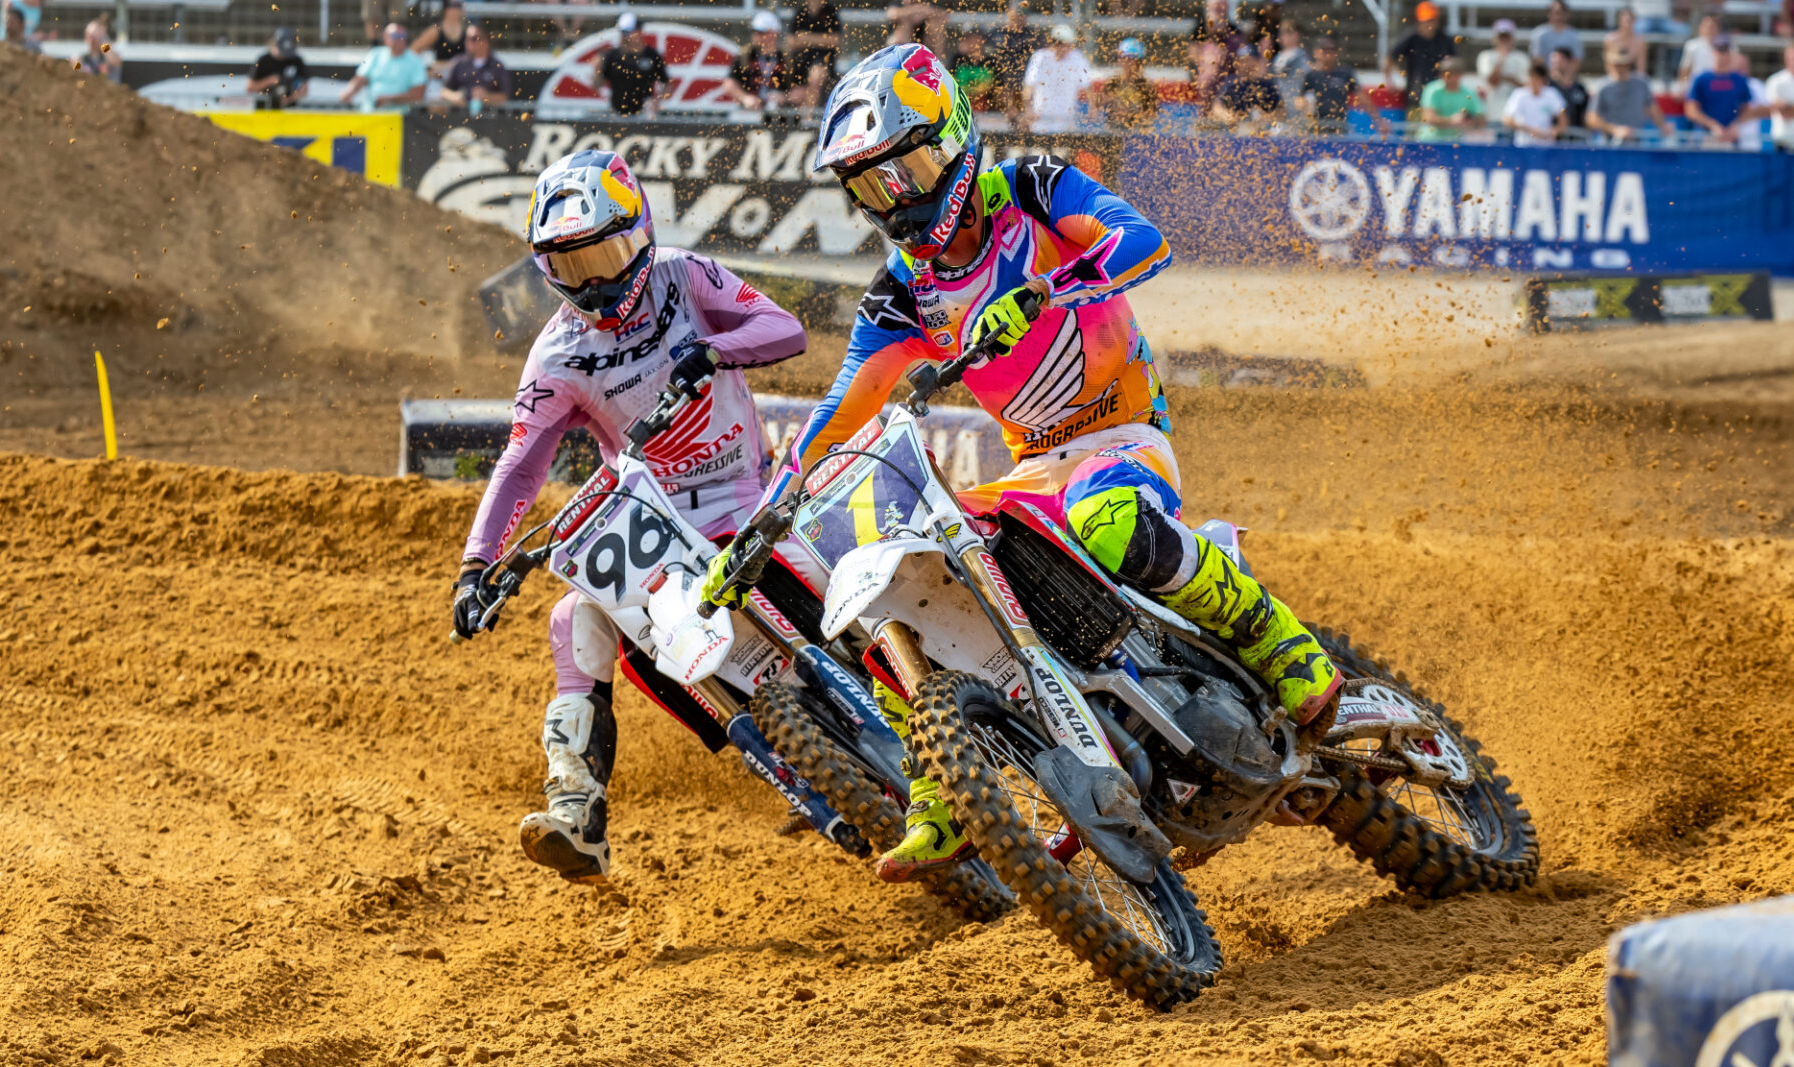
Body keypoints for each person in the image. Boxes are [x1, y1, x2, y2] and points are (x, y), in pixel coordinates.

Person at [699, 44, 1342, 878]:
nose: (898, 201)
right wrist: (765, 519)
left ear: (952, 140)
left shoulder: (1033, 189)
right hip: (1034, 465)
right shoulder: (902, 292)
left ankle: (1279, 640)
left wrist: (1043, 291)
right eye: (872, 188)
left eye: (906, 171)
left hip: (1121, 434)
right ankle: (943, 785)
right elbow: (838, 413)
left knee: (1107, 520)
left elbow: (1144, 243)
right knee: (903, 578)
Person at [452, 150, 812, 884]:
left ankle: (928, 722)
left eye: (606, 257)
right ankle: (577, 809)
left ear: (640, 234)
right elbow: (521, 463)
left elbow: (785, 330)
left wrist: (713, 350)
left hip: (746, 495)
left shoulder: (686, 276)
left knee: (835, 576)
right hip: (656, 522)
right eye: (573, 267)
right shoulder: (556, 355)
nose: (596, 283)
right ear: (547, 270)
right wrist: (476, 563)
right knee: (573, 619)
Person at [1685, 37, 1765, 146]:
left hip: (1732, 138)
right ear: (1712, 53)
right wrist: (1713, 125)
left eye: (1725, 52)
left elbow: (1746, 109)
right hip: (1706, 136)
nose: (1721, 56)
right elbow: (1691, 110)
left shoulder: (1739, 80)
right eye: (1719, 52)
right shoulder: (1701, 79)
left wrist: (1734, 125)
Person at [340, 23, 430, 109]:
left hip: (400, 116)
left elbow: (418, 95)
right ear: (385, 38)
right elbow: (360, 78)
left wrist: (389, 99)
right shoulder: (375, 54)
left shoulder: (415, 61)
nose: (400, 39)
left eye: (403, 36)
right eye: (396, 36)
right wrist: (348, 93)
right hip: (370, 112)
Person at [1385, 1, 1457, 107]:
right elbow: (1390, 56)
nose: (1428, 24)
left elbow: (1455, 65)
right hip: (1415, 94)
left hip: (1441, 95)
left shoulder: (1445, 40)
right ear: (1418, 22)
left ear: (1437, 21)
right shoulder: (1411, 37)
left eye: (1431, 20)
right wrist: (1389, 81)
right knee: (1415, 117)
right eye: (1425, 21)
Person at [1022, 24, 1093, 133]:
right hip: (1041, 120)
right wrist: (1028, 109)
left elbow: (1087, 87)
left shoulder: (1078, 58)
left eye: (1067, 45)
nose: (1063, 48)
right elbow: (1029, 87)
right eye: (1060, 44)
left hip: (1066, 121)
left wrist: (1092, 108)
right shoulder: (1040, 57)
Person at [596, 14, 670, 117]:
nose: (626, 36)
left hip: (644, 112)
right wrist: (597, 69)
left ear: (639, 32)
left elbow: (666, 83)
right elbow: (597, 84)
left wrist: (657, 100)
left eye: (629, 32)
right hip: (616, 111)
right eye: (624, 32)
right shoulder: (612, 56)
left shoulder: (651, 55)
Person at [1587, 47, 1666, 140]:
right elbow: (1591, 119)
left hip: (1636, 140)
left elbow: (1652, 109)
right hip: (1610, 141)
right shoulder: (1602, 87)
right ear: (1609, 65)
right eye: (1616, 64)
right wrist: (1614, 130)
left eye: (1623, 64)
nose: (1620, 68)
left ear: (1628, 65)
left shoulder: (1642, 84)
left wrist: (1663, 126)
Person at [729, 11, 799, 110]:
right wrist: (744, 98)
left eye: (761, 33)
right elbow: (729, 83)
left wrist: (785, 98)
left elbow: (802, 89)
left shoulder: (788, 58)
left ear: (774, 34)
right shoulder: (745, 55)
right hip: (750, 112)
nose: (755, 36)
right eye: (754, 32)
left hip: (781, 113)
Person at [987, 2, 1045, 118]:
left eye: (1022, 15)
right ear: (1009, 14)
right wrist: (1007, 102)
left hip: (1026, 88)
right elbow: (990, 65)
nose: (1019, 18)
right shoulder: (996, 34)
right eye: (1017, 15)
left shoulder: (1034, 36)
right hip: (1001, 88)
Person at [1298, 35, 1358, 135]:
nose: (1328, 54)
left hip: (1338, 125)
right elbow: (1300, 99)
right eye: (1324, 50)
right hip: (1315, 125)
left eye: (1332, 50)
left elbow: (1362, 97)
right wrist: (1305, 107)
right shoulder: (1311, 75)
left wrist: (1378, 120)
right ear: (1316, 52)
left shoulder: (1344, 73)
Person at [441, 25, 510, 110]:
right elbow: (442, 91)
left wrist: (486, 97)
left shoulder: (497, 66)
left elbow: (505, 96)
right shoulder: (458, 63)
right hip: (460, 115)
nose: (468, 42)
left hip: (490, 116)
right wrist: (455, 97)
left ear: (485, 41)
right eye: (466, 38)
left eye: (473, 39)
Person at [1190, 0, 1247, 104]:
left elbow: (1242, 57)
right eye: (1216, 8)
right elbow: (1194, 54)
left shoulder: (1235, 32)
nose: (1219, 10)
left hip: (1229, 75)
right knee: (1210, 66)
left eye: (1222, 7)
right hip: (1207, 73)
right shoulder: (1200, 30)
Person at [1213, 42, 1283, 125]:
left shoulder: (1266, 85)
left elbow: (1281, 111)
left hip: (1262, 130)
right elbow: (1217, 106)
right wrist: (1228, 116)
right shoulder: (1232, 82)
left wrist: (1265, 118)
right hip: (1236, 129)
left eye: (1248, 60)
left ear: (1256, 62)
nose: (1244, 64)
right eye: (1241, 61)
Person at [788, 0, 842, 107]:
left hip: (823, 63)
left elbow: (834, 41)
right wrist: (821, 40)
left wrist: (806, 38)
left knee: (816, 75)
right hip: (801, 65)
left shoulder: (830, 11)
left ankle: (808, 115)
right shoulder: (801, 11)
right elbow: (791, 42)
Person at [1477, 20, 1531, 125]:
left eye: (1507, 37)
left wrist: (1506, 78)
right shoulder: (1485, 56)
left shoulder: (1522, 58)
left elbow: (1526, 86)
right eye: (1501, 37)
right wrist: (1501, 59)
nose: (1504, 40)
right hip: (1493, 113)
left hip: (1517, 117)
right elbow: (1492, 81)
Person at [1100, 37, 1161, 129]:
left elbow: (1151, 116)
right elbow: (1102, 112)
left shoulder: (1147, 87)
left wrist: (1127, 115)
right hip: (1115, 131)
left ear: (1139, 63)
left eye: (1130, 59)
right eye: (1123, 59)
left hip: (1137, 132)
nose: (1127, 63)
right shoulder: (1112, 84)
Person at [1504, 60, 1570, 143]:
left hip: (1546, 145)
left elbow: (1563, 117)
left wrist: (1553, 131)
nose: (1534, 83)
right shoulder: (1519, 94)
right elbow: (1507, 119)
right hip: (1524, 144)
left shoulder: (1552, 94)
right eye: (1532, 78)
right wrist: (1529, 130)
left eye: (1537, 79)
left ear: (1543, 80)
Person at [1418, 56, 1485, 140]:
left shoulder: (1469, 93)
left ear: (1459, 75)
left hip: (1456, 141)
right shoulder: (1432, 90)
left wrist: (1469, 121)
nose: (1445, 76)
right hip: (1430, 141)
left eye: (1450, 73)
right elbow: (1428, 118)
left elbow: (1482, 118)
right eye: (1443, 73)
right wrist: (1451, 121)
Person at [248, 27, 309, 108]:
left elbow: (304, 88)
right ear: (273, 44)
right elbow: (250, 88)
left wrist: (292, 97)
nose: (284, 56)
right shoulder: (263, 61)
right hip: (265, 108)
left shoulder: (296, 60)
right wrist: (271, 80)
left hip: (291, 109)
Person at [412, 0, 468, 77]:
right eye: (452, 5)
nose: (455, 9)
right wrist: (427, 68)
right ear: (445, 8)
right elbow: (414, 49)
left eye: (458, 5)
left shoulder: (467, 32)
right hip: (440, 77)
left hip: (461, 77)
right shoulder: (436, 30)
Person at [951, 30, 999, 111]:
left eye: (976, 40)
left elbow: (1000, 89)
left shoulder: (991, 62)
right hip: (961, 109)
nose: (973, 43)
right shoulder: (958, 60)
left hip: (988, 111)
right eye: (970, 40)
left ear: (982, 41)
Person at [1676, 14, 1724, 94]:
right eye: (1706, 26)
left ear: (1718, 29)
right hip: (1697, 87)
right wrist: (1682, 87)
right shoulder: (1692, 45)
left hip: (1718, 86)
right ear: (1701, 28)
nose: (1709, 29)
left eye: (1712, 27)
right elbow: (1685, 69)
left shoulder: (1726, 46)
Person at [1548, 46, 1590, 129]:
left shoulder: (1579, 88)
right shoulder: (1547, 87)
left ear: (1569, 62)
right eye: (1553, 62)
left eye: (1559, 61)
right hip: (1551, 133)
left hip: (1577, 133)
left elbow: (1586, 114)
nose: (1555, 65)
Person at [1271, 19, 1310, 100]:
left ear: (1296, 34)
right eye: (1280, 33)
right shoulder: (1278, 56)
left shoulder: (1300, 56)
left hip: (1294, 100)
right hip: (1279, 101)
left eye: (1285, 32)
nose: (1280, 36)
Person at [1604, 8, 1648, 75]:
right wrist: (1617, 77)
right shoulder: (1611, 39)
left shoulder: (1640, 42)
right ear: (1620, 20)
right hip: (1615, 76)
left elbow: (1641, 68)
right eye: (1627, 20)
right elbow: (1609, 64)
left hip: (1632, 76)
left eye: (1631, 20)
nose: (1628, 24)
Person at [77, 16, 121, 82]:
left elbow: (113, 60)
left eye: (94, 36)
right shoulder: (82, 59)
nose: (91, 39)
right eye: (88, 35)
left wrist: (101, 38)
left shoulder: (111, 56)